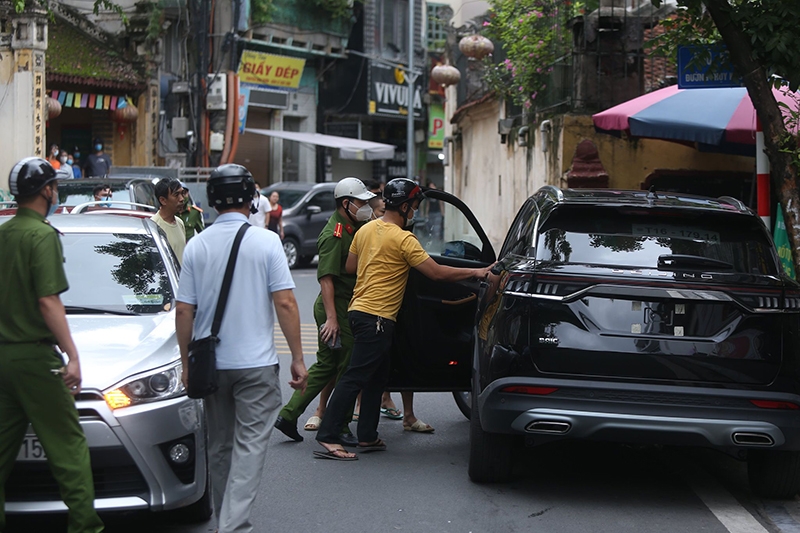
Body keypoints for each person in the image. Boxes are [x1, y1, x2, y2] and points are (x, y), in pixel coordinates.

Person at [314, 178, 493, 460]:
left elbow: (350, 265)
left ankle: (367, 435)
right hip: (377, 317)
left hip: (359, 310)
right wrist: (477, 272)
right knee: (356, 376)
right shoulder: (403, 239)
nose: (415, 212)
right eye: (415, 206)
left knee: (378, 376)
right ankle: (328, 436)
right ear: (406, 206)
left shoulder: (366, 230)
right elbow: (436, 273)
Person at [176, 163, 308, 532]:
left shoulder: (196, 244)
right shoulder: (266, 241)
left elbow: (185, 309)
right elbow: (285, 303)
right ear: (252, 197)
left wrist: (186, 362)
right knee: (250, 444)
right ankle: (233, 526)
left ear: (212, 200)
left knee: (219, 446)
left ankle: (226, 520)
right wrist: (298, 358)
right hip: (256, 366)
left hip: (210, 364)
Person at [0, 157, 104, 532]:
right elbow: (48, 301)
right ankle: (85, 527)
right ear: (46, 190)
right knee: (68, 449)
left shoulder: (4, 233)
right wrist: (73, 356)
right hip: (36, 358)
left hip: (4, 358)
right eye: (54, 186)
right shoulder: (41, 235)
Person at [274, 177, 375, 445]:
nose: (367, 205)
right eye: (361, 202)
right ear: (346, 203)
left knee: (327, 365)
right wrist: (332, 319)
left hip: (341, 305)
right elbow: (327, 278)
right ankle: (339, 426)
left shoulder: (354, 226)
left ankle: (288, 414)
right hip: (336, 306)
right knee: (347, 366)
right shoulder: (334, 234)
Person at [151, 178, 186, 264]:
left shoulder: (180, 223)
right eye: (176, 195)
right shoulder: (154, 226)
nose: (181, 199)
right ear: (163, 200)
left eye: (182, 193)